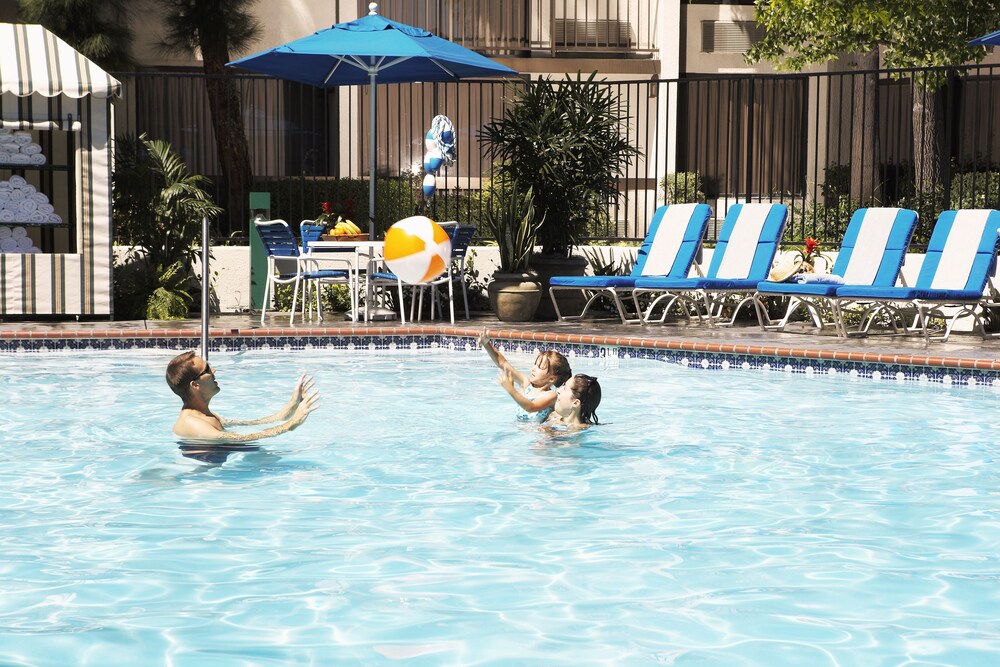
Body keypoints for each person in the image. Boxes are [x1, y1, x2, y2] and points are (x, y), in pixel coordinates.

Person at [166, 351, 319, 443]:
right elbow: (242, 439)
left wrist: (292, 405)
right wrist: (293, 423)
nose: (214, 370)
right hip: (211, 480)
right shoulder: (192, 423)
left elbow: (253, 424)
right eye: (206, 370)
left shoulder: (205, 415)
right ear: (195, 385)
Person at [479, 329, 572, 421]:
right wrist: (486, 344)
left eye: (539, 367)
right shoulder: (527, 384)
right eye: (535, 364)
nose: (533, 368)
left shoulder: (551, 395)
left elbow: (531, 407)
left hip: (536, 434)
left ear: (551, 379)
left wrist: (510, 389)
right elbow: (503, 363)